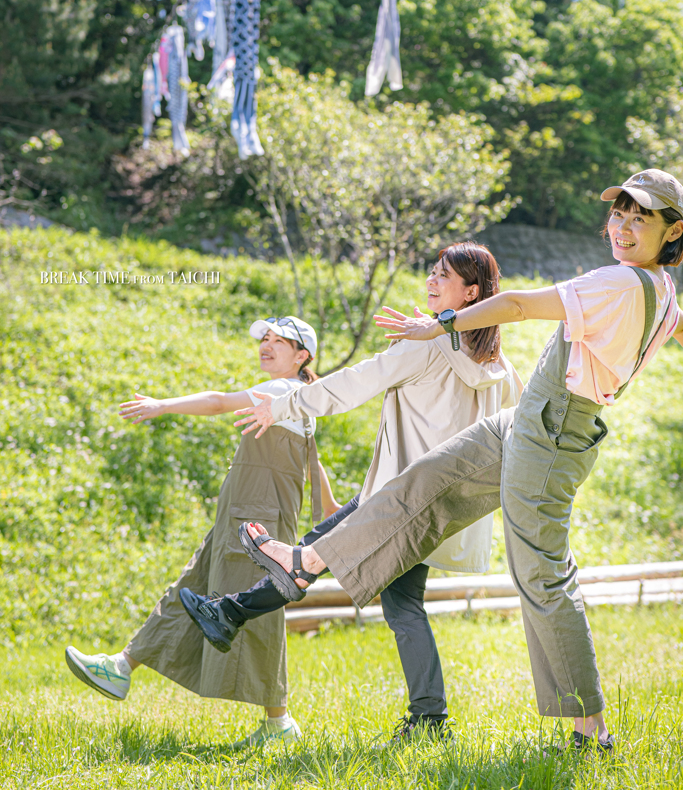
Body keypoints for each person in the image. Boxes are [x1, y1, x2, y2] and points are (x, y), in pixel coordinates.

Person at [226, 169, 683, 753]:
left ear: (672, 230)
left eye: (640, 217)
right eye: (619, 213)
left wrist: (437, 324)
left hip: (552, 430)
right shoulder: (660, 292)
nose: (622, 226)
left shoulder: (620, 282)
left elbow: (515, 304)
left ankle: (589, 730)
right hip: (531, 421)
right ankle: (304, 558)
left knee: (541, 576)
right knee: (425, 480)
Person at [179, 242, 523, 742]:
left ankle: (428, 718)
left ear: (471, 293)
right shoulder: (498, 367)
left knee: (338, 570)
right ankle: (230, 612)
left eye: (442, 276)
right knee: (374, 585)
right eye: (430, 271)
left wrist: (283, 406)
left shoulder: (428, 346)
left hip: (397, 497)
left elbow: (350, 384)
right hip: (441, 503)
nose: (430, 280)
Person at [65, 315, 330, 749]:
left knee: (257, 608)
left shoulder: (283, 390)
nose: (266, 346)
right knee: (192, 587)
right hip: (246, 514)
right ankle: (121, 666)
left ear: (302, 356)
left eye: (278, 341)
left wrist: (162, 405)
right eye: (264, 339)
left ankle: (279, 722)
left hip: (253, 519)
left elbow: (218, 401)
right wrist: (330, 505)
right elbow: (311, 461)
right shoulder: (295, 399)